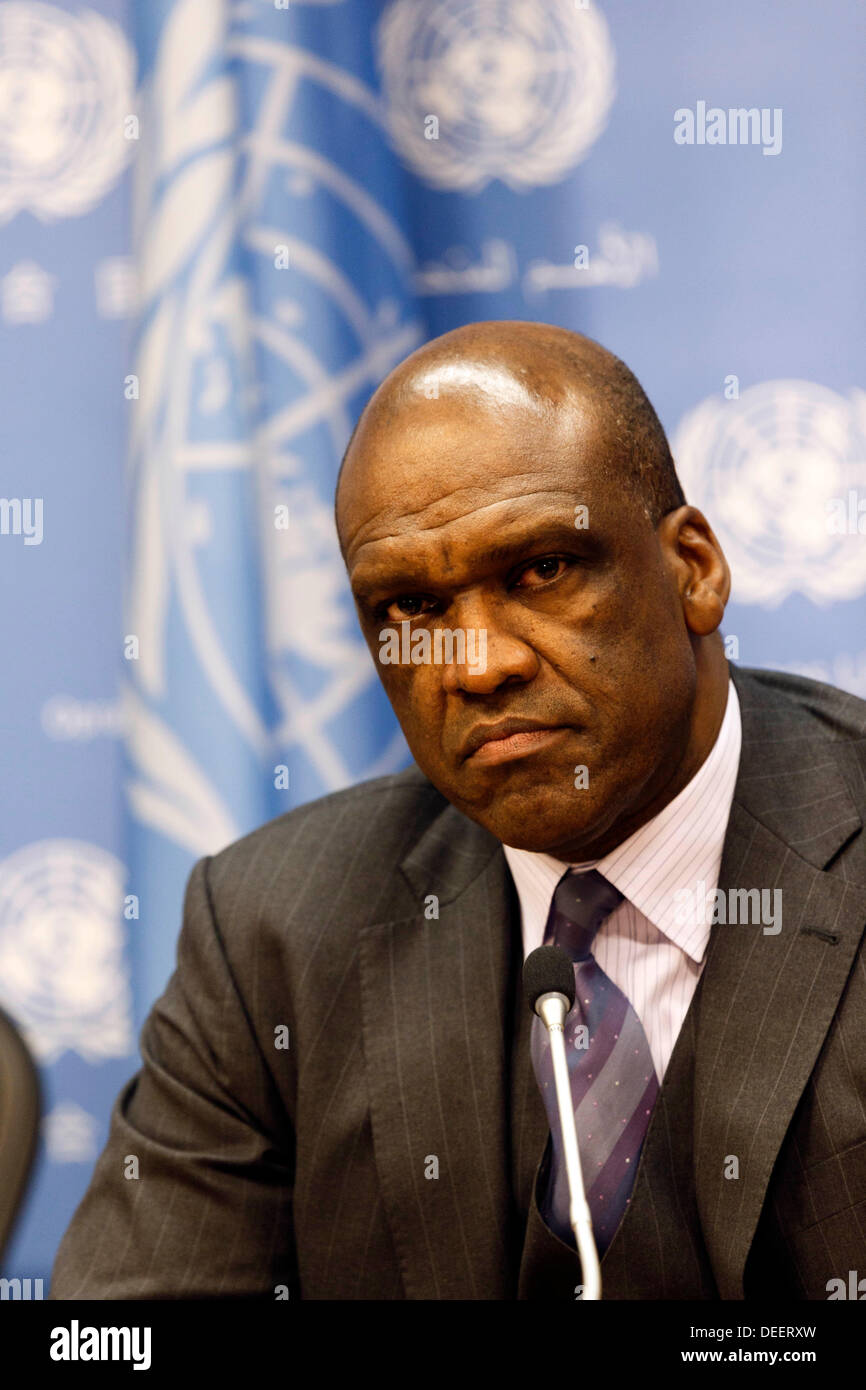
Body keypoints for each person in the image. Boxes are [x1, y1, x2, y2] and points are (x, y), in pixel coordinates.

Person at [51, 322, 866, 1300]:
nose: (477, 666)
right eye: (410, 610)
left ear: (692, 567)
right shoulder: (272, 929)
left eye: (540, 571)